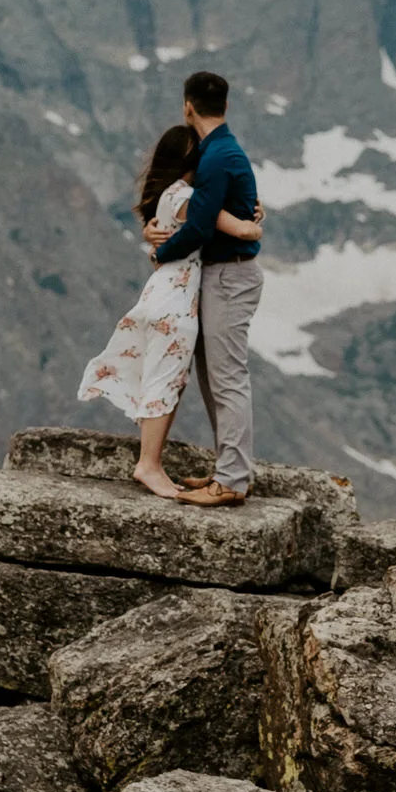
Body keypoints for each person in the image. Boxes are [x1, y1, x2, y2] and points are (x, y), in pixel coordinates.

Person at [77, 123, 262, 498]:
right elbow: (237, 231)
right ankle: (149, 465)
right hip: (176, 304)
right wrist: (255, 225)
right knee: (168, 380)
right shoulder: (191, 198)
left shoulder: (165, 195)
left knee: (165, 377)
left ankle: (152, 462)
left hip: (159, 295)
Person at [145, 70, 262, 507]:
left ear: (187, 106)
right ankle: (229, 470)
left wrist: (160, 253)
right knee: (214, 378)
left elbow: (198, 225)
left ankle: (232, 479)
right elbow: (231, 212)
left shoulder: (215, 156)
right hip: (221, 274)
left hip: (229, 275)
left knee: (228, 378)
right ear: (225, 106)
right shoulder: (222, 152)